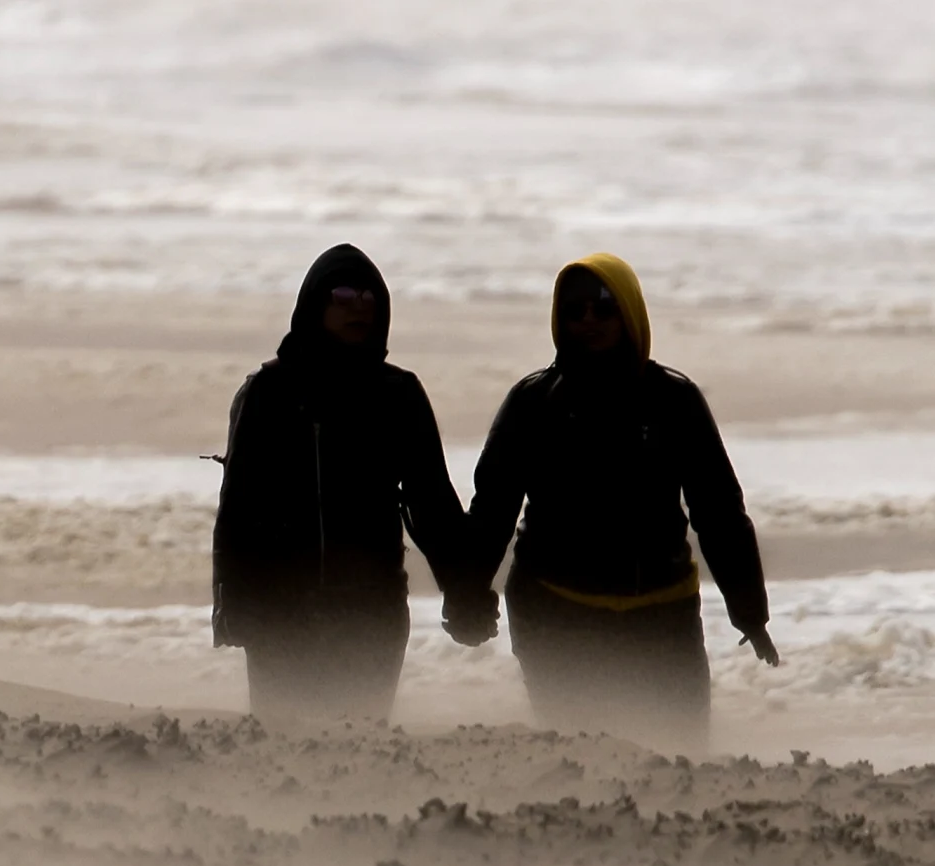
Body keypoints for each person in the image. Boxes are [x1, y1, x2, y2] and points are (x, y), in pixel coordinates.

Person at [446, 254, 774, 750]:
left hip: (663, 615)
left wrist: (749, 611)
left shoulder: (674, 400)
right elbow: (493, 511)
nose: (589, 319)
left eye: (603, 307)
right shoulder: (534, 402)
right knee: (582, 757)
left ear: (630, 312)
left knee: (679, 755)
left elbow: (719, 511)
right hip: (555, 612)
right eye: (574, 310)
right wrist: (467, 598)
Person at [211, 244, 481, 724]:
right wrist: (230, 606)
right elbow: (237, 509)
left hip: (371, 613)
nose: (358, 307)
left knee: (361, 740)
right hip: (280, 614)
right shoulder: (268, 392)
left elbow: (433, 504)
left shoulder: (398, 394)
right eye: (343, 296)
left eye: (369, 297)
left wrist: (465, 593)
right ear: (315, 304)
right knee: (284, 741)